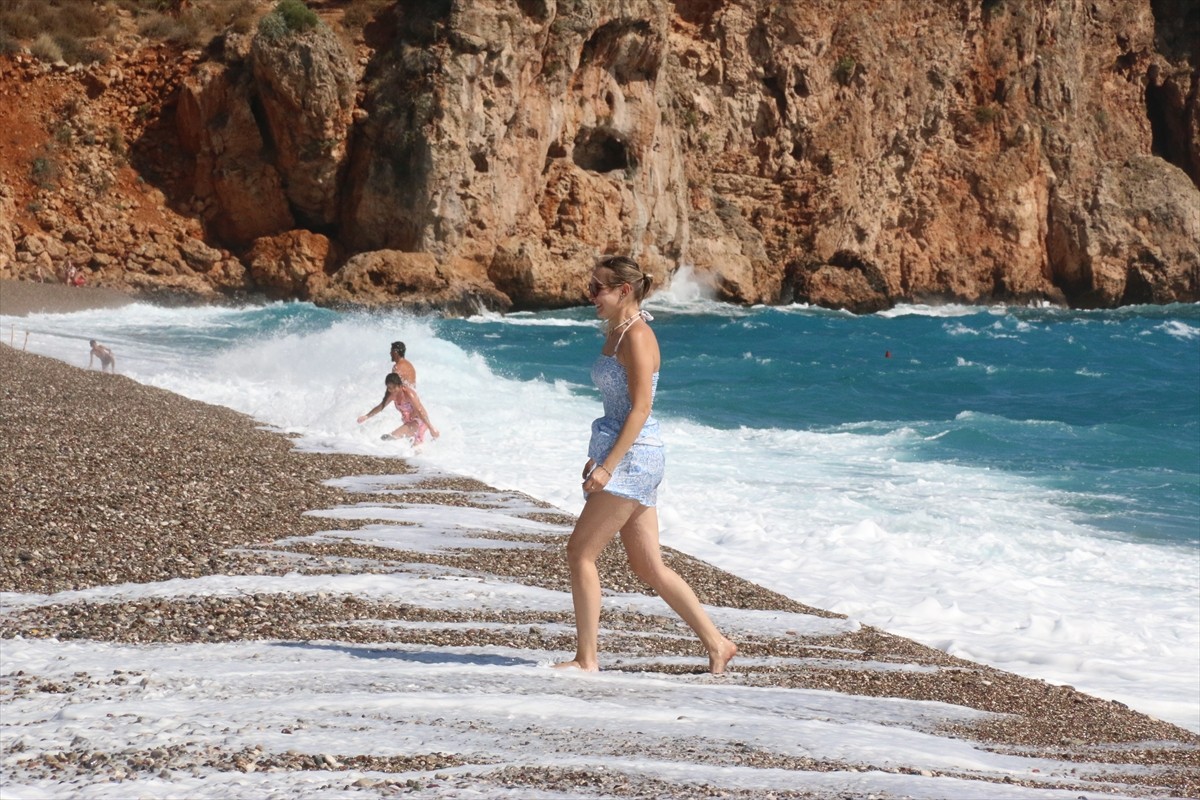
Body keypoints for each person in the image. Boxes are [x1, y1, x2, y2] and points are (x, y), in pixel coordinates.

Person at [555, 254, 737, 674]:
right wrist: (598, 455)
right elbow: (618, 409)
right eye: (590, 287)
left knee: (580, 552)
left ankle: (587, 659)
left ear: (623, 291)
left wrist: (607, 467)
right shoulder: (617, 332)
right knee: (647, 565)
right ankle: (718, 643)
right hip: (630, 454)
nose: (591, 296)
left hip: (634, 459)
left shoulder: (637, 336)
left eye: (597, 287)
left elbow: (640, 409)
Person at [357, 373, 439, 443]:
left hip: (420, 421)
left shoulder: (409, 394)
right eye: (389, 388)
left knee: (390, 438)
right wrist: (367, 416)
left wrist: (431, 428)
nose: (392, 390)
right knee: (408, 446)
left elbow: (419, 411)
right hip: (408, 422)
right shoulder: (392, 395)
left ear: (400, 385)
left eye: (394, 387)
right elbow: (381, 406)